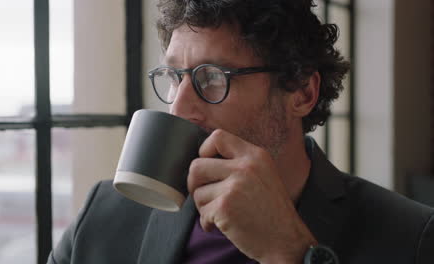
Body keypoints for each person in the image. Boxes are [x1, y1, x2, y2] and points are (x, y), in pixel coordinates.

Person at [48, 0, 434, 263]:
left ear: (302, 92)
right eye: (174, 77)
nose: (179, 107)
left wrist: (290, 253)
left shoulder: (411, 236)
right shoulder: (105, 214)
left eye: (212, 77)